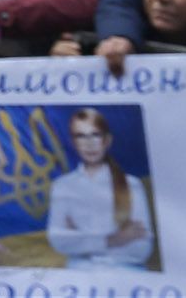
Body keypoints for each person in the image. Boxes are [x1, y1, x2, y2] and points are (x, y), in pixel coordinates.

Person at [45, 108, 155, 270]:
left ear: (107, 140)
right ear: (73, 142)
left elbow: (141, 249)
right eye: (81, 136)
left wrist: (82, 241)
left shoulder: (132, 185)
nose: (89, 143)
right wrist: (114, 239)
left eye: (95, 135)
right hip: (79, 275)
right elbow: (59, 241)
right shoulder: (62, 186)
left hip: (127, 274)